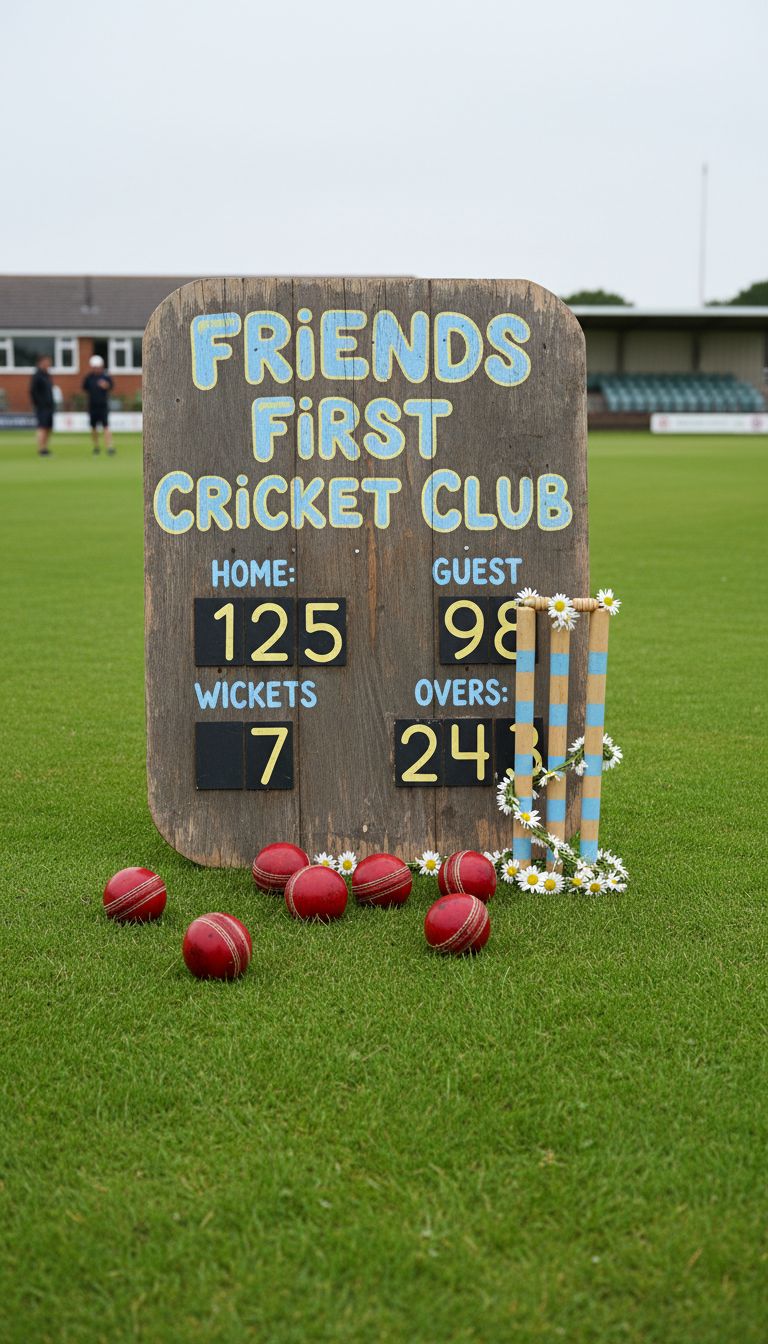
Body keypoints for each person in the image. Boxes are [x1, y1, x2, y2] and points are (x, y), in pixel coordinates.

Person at [82, 354, 115, 454]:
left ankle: (109, 447)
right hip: (93, 406)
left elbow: (111, 386)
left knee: (106, 426)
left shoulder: (105, 376)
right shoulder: (89, 378)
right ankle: (96, 447)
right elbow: (84, 388)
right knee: (93, 427)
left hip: (103, 405)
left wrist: (106, 385)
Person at [30, 354, 54, 456]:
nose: (48, 364)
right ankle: (41, 449)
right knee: (42, 427)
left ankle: (45, 447)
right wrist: (40, 403)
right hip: (41, 407)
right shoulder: (37, 376)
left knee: (48, 427)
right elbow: (33, 391)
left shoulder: (47, 375)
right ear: (40, 363)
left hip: (49, 406)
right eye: (46, 362)